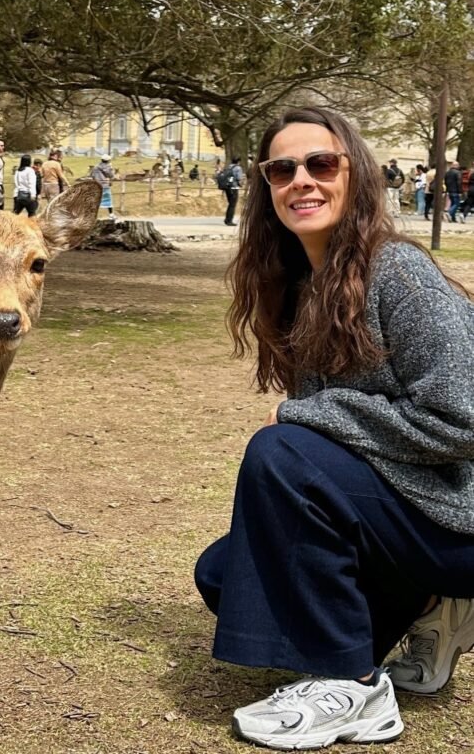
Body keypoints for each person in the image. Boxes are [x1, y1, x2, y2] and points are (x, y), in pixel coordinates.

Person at [194, 106, 474, 751]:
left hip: (459, 516)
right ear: (265, 186)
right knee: (227, 573)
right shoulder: (299, 285)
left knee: (283, 448)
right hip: (410, 519)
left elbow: (462, 420)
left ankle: (350, 685)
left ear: (357, 176)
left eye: (321, 163)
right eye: (282, 168)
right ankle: (436, 609)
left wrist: (307, 416)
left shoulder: (398, 273)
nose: (302, 180)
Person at [90, 154, 116, 219]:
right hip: (105, 185)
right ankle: (111, 214)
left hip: (97, 185)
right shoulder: (109, 167)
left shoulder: (96, 167)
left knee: (96, 200)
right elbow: (111, 175)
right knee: (108, 200)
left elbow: (92, 175)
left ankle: (93, 215)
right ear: (108, 160)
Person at [221, 155, 244, 226]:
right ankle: (229, 220)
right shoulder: (238, 168)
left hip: (227, 187)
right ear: (238, 161)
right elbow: (239, 178)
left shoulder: (229, 166)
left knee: (230, 204)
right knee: (232, 205)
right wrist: (241, 184)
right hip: (234, 188)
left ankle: (227, 219)